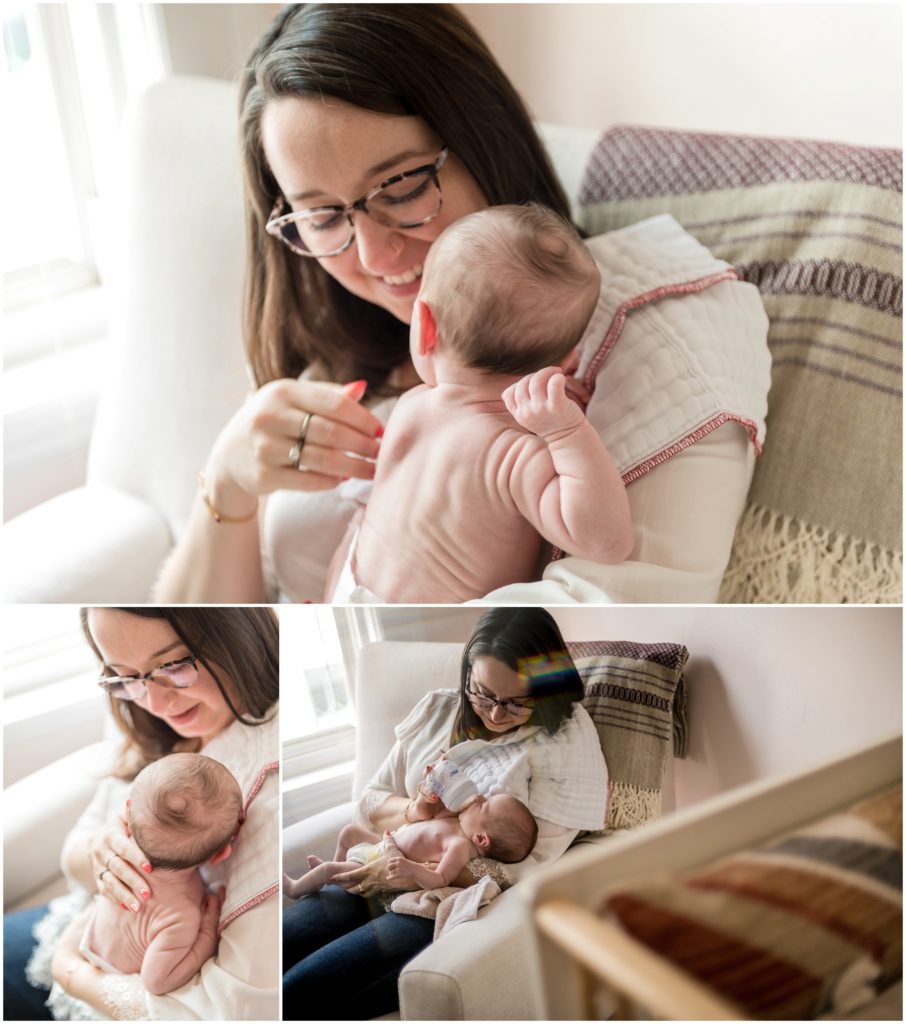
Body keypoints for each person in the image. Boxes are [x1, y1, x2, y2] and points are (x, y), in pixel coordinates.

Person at [152, 3, 769, 606]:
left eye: (403, 186)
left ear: (484, 138)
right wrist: (227, 484)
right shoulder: (343, 359)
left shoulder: (655, 326)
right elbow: (210, 651)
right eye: (321, 215)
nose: (372, 255)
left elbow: (620, 628)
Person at [283, 607, 608, 1019]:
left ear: (545, 689)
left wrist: (425, 868)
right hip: (375, 863)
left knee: (298, 989)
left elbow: (526, 864)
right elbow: (372, 800)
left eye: (514, 703)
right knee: (279, 944)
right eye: (483, 693)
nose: (493, 714)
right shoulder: (437, 711)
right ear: (467, 672)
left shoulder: (562, 746)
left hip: (435, 901)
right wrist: (414, 811)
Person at [327, 204, 633, 603]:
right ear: (565, 364)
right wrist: (568, 432)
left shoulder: (411, 407)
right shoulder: (516, 455)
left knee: (359, 522)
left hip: (349, 584)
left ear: (424, 327)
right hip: (426, 626)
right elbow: (608, 541)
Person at [3, 608, 279, 1022]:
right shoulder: (137, 712)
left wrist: (72, 972)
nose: (155, 700)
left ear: (236, 636)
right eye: (126, 676)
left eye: (176, 665)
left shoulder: (264, 782)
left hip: (96, 973)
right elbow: (73, 856)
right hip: (74, 921)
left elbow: (226, 1010)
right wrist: (102, 851)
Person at [75, 754, 242, 996]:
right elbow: (156, 981)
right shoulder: (179, 916)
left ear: (127, 812)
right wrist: (207, 933)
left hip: (86, 951)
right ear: (220, 854)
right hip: (105, 986)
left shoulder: (119, 857)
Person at [285, 793, 538, 898]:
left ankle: (297, 887)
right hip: (384, 842)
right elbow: (430, 816)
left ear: (481, 839)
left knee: (328, 868)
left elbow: (440, 879)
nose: (480, 797)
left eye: (484, 805)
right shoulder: (456, 821)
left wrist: (412, 869)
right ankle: (338, 866)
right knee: (349, 832)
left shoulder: (460, 846)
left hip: (380, 860)